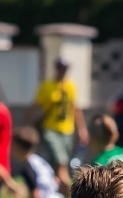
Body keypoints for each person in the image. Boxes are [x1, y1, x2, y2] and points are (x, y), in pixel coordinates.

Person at [34, 57, 88, 188]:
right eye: (61, 69)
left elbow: (75, 108)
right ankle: (69, 190)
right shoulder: (47, 86)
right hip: (50, 128)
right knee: (61, 161)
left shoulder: (70, 85)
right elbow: (36, 106)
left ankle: (57, 189)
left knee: (58, 163)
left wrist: (82, 128)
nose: (63, 72)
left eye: (65, 69)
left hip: (67, 129)